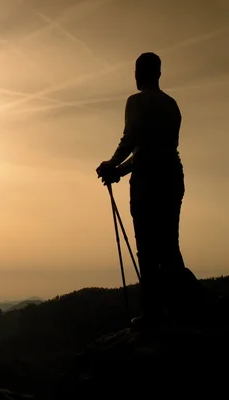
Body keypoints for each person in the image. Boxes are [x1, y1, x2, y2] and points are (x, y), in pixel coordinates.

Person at [96, 52, 212, 328]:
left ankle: (154, 312)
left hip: (148, 180)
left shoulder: (136, 102)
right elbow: (153, 149)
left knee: (147, 247)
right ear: (159, 73)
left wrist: (112, 165)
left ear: (140, 73)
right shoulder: (172, 105)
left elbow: (133, 139)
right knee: (169, 245)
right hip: (172, 175)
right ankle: (182, 306)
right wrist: (120, 171)